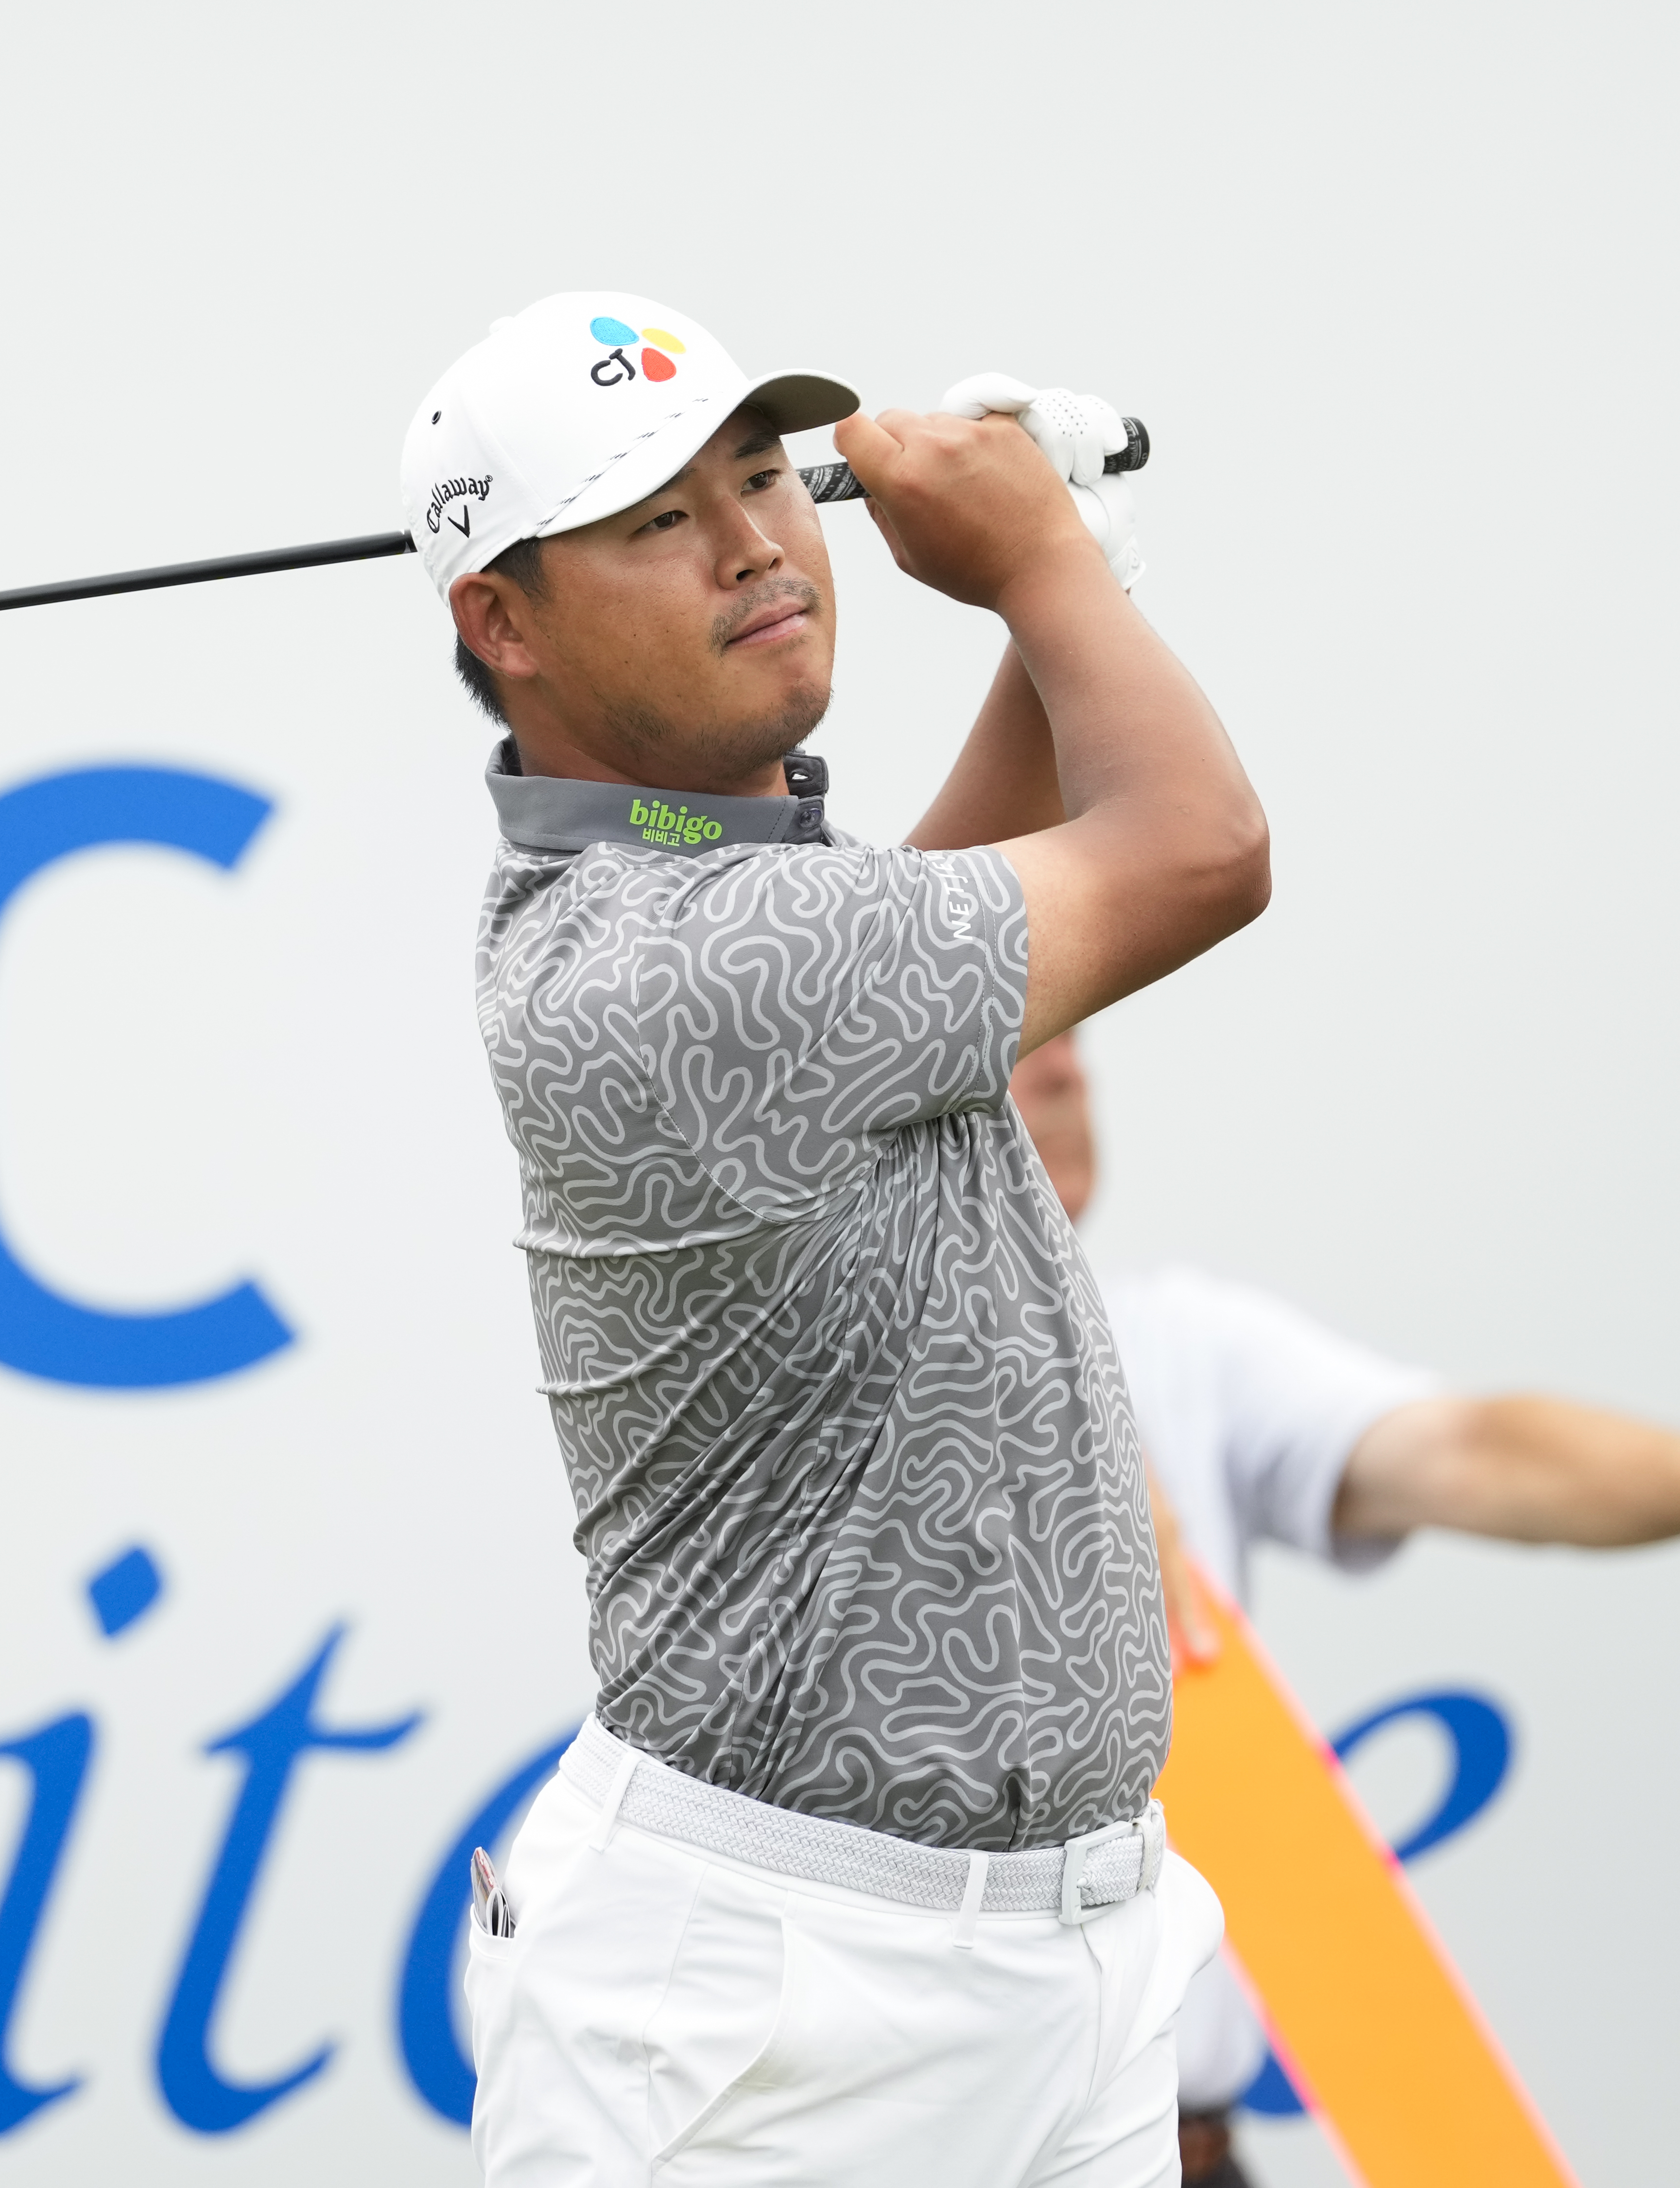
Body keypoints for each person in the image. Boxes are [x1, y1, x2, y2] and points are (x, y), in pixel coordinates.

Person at [418, 288, 1268, 2186]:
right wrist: (1042, 569)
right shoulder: (671, 957)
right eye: (651, 520)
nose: (751, 544)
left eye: (754, 477)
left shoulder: (725, 898)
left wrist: (1051, 602)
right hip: (764, 2021)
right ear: (501, 619)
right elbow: (1200, 847)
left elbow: (945, 918)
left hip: (1055, 1966)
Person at [1008, 1028, 1680, 2188]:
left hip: (1188, 2155)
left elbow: (1472, 1451)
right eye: (1021, 1033)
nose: (1069, 1069)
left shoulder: (1180, 1345)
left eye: (1075, 1031)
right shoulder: (753, 1386)